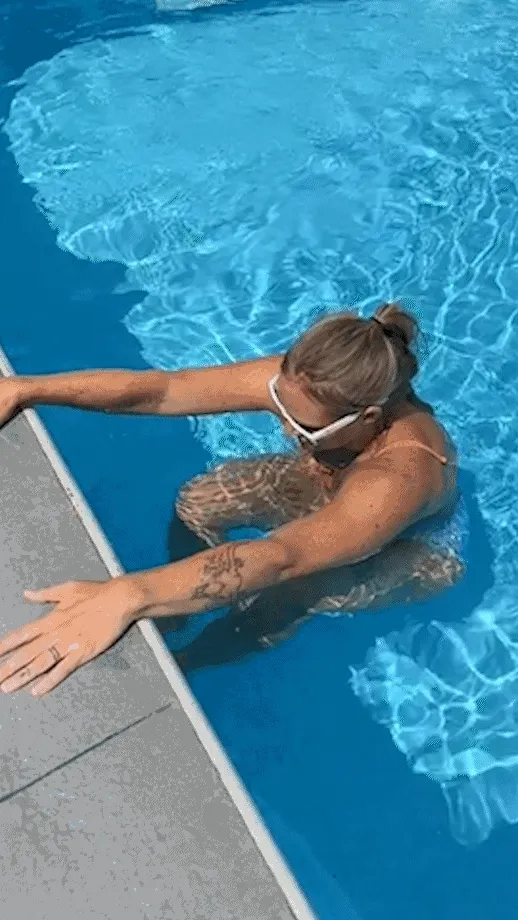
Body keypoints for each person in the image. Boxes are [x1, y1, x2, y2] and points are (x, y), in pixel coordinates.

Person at [0, 303, 464, 695]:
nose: (285, 428)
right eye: (281, 408)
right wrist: (27, 389)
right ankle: (178, 616)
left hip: (407, 549)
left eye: (303, 428)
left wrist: (132, 595)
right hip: (331, 476)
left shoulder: (398, 478)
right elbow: (164, 391)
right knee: (201, 501)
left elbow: (281, 557)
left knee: (288, 591)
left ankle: (191, 660)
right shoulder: (311, 386)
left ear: (369, 417)